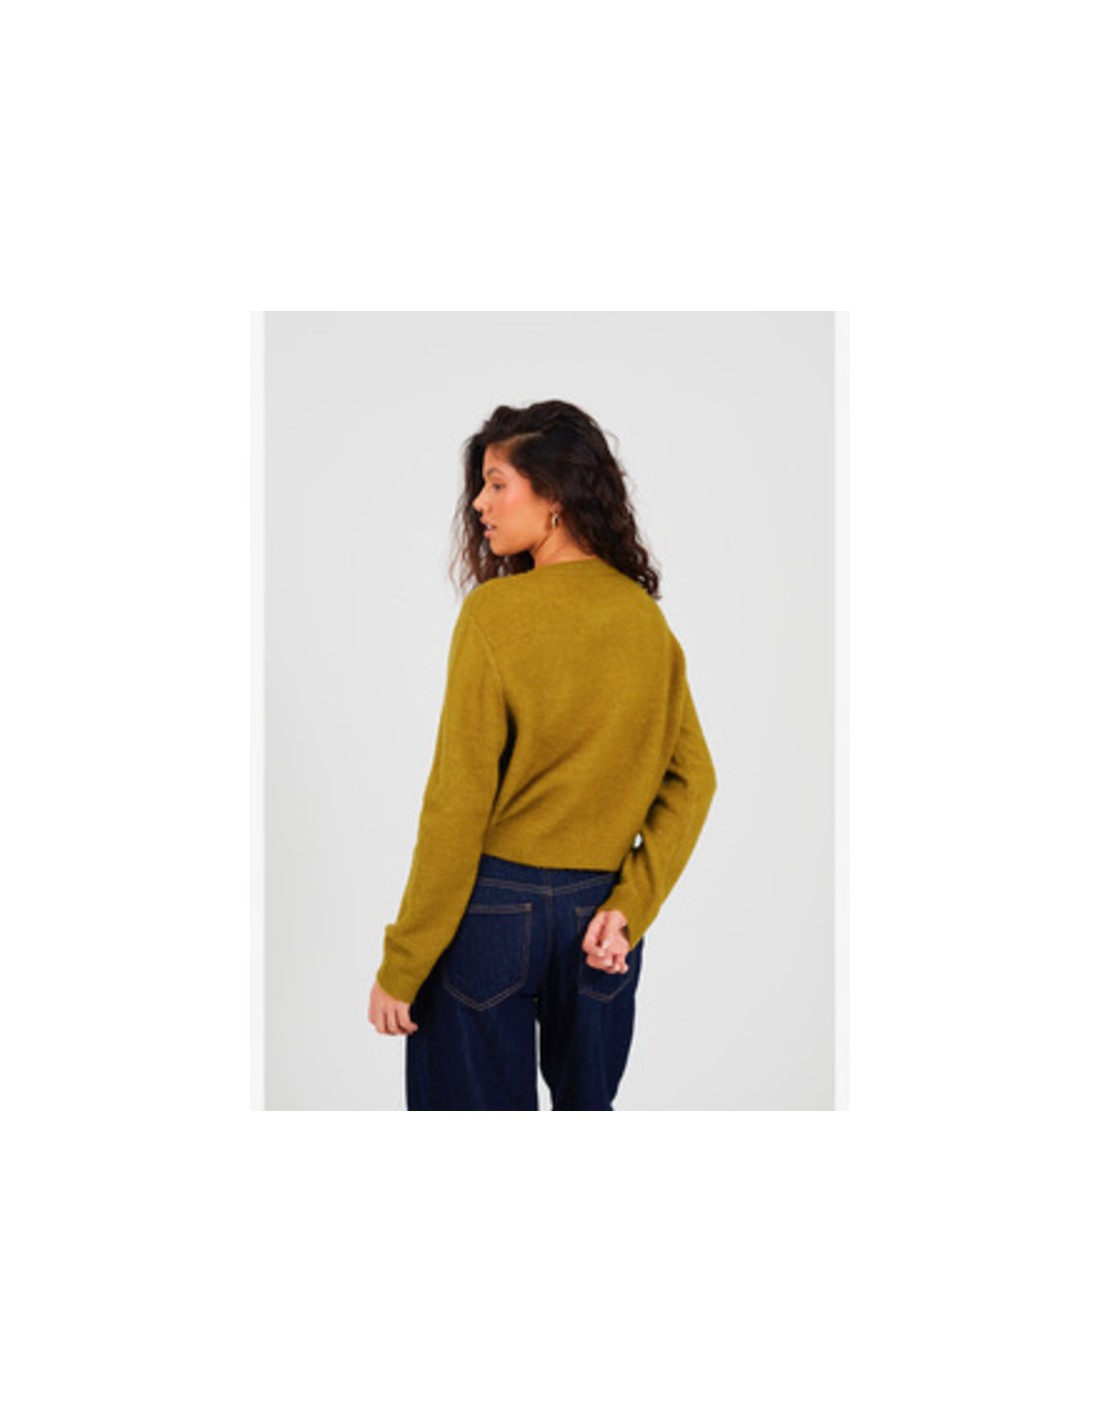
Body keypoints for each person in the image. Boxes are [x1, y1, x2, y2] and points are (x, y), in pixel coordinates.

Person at [368, 399, 718, 1109]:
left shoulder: (494, 614)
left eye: (498, 483)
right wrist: (629, 907)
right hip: (599, 918)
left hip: (492, 914)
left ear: (554, 495)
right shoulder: (643, 620)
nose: (479, 503)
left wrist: (403, 963)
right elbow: (694, 780)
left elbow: (458, 802)